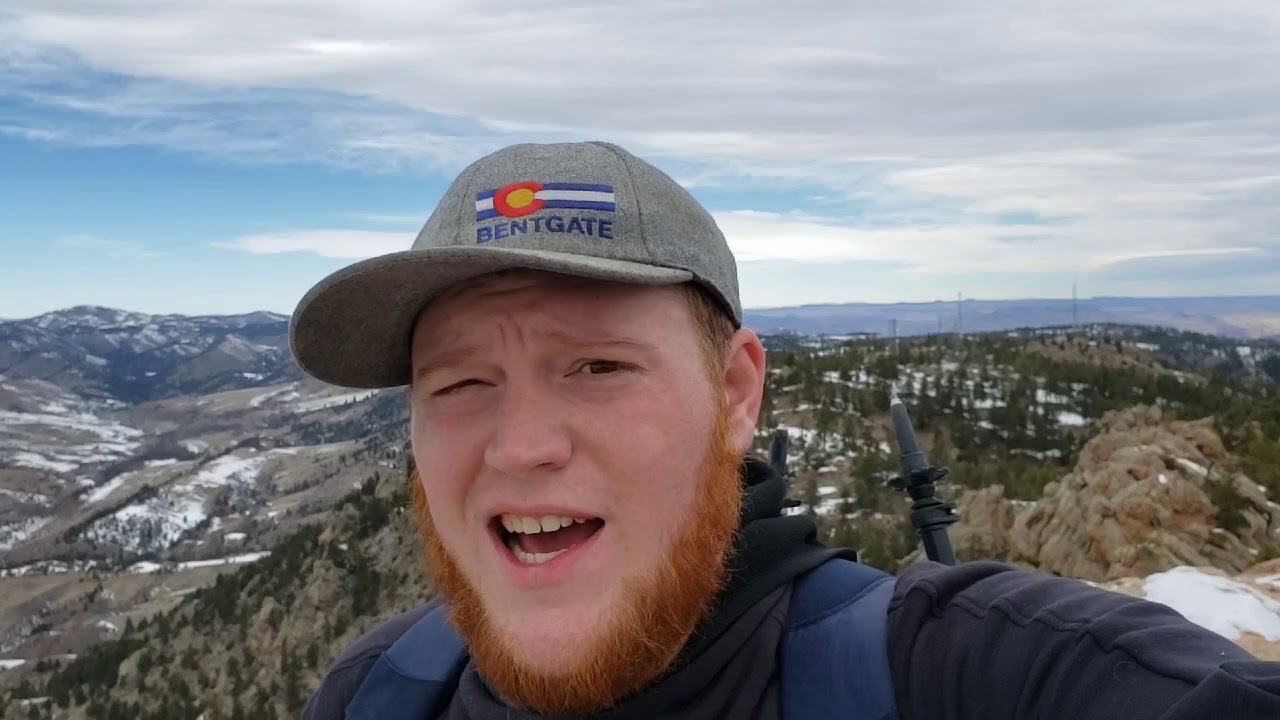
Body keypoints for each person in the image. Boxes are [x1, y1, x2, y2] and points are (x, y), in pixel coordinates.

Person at [290, 140, 1280, 719]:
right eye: (460, 383)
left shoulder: (962, 673)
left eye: (597, 367)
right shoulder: (377, 692)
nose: (518, 446)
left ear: (735, 395)